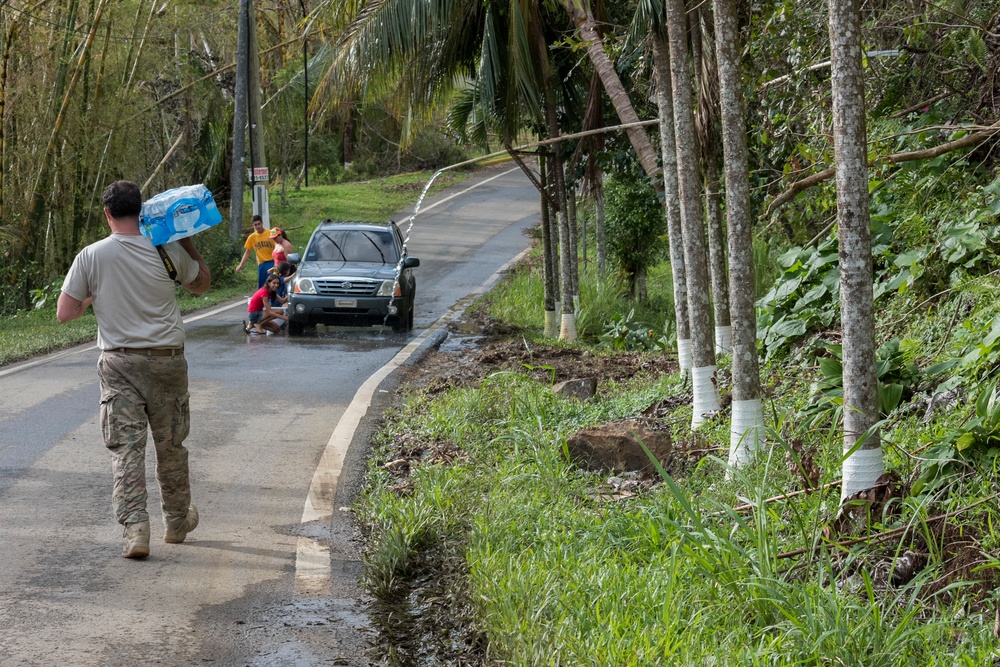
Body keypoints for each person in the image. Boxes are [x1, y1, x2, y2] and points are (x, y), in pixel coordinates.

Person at [56, 179, 211, 559]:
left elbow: (65, 312)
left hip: (119, 363)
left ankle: (136, 530)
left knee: (126, 451)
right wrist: (187, 240)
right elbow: (202, 286)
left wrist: (97, 293)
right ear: (141, 211)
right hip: (167, 362)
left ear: (107, 214)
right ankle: (176, 523)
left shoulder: (91, 256)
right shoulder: (166, 249)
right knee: (171, 445)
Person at [235, 214, 275, 288]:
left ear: (262, 223)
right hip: (262, 263)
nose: (258, 226)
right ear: (253, 225)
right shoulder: (252, 237)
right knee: (263, 285)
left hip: (272, 261)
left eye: (259, 224)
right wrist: (241, 264)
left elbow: (277, 247)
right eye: (255, 225)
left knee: (273, 284)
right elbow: (247, 252)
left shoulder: (270, 233)